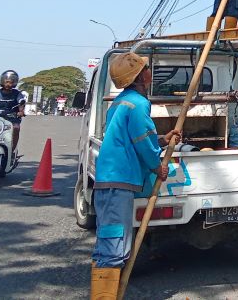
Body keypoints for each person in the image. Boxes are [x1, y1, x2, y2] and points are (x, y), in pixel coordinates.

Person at [90, 52, 181, 299]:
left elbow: (134, 136)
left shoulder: (121, 102)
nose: (150, 71)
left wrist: (163, 138)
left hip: (112, 177)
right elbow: (142, 141)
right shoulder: (139, 104)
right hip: (117, 179)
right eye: (146, 68)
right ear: (140, 76)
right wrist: (156, 166)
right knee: (113, 243)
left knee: (113, 240)